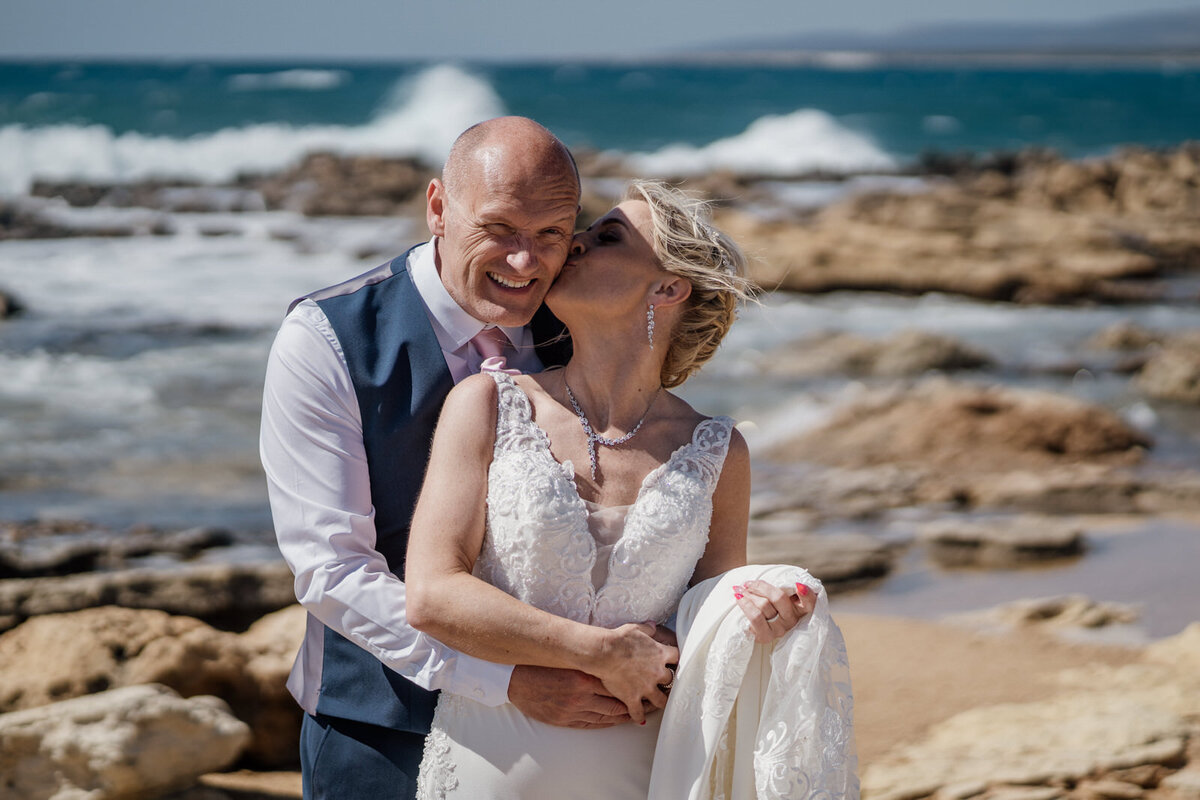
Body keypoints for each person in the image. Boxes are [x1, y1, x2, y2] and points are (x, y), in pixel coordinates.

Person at [405, 181, 857, 798]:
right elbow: (432, 595)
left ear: (668, 288)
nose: (575, 243)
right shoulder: (486, 403)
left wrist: (766, 614)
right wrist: (598, 652)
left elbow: (711, 630)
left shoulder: (718, 452)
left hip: (646, 775)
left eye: (608, 237)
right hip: (487, 765)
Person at [260, 117, 645, 800]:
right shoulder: (324, 338)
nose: (525, 262)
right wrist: (507, 681)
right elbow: (332, 570)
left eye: (551, 234)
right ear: (438, 207)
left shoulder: (582, 325)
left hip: (575, 742)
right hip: (379, 732)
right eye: (499, 229)